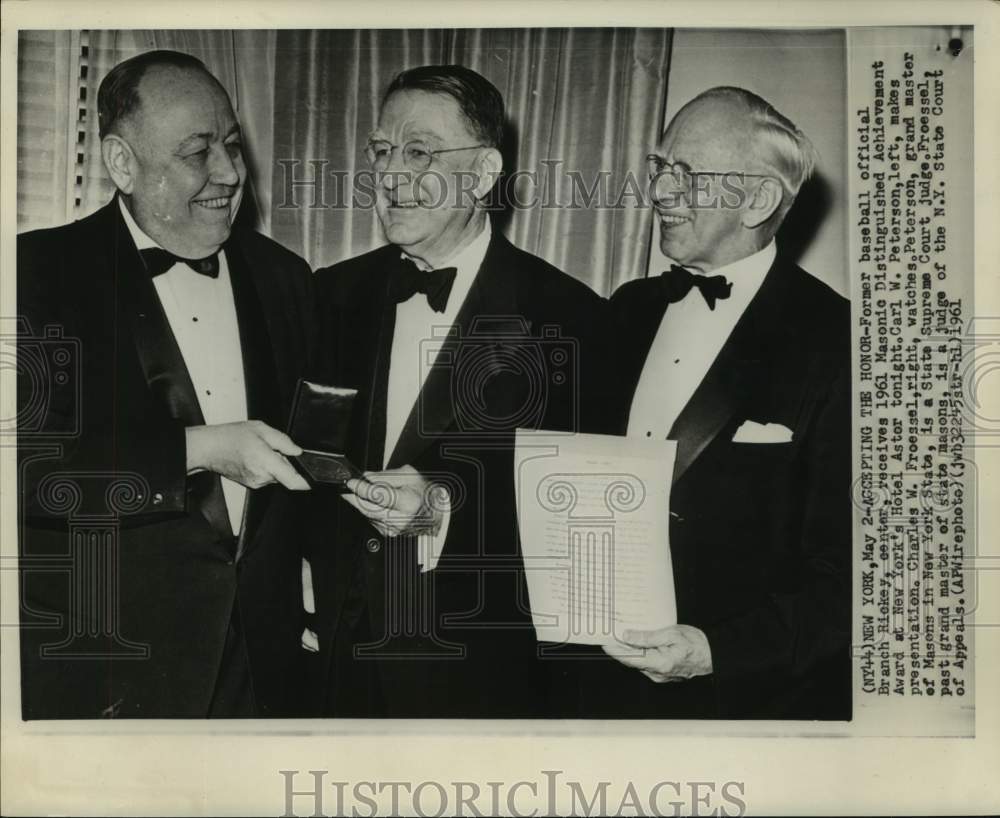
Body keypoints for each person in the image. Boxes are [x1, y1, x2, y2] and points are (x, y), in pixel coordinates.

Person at [17, 50, 319, 718]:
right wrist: (199, 449)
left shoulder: (285, 277)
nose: (231, 174)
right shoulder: (35, 273)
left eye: (234, 146)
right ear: (121, 163)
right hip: (108, 674)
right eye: (197, 152)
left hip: (263, 673)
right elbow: (28, 473)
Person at [309, 64, 607, 717]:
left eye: (419, 152)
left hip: (473, 677)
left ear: (481, 173)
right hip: (331, 666)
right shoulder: (331, 293)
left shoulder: (570, 317)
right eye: (382, 153)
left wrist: (442, 506)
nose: (390, 175)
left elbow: (576, 527)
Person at [584, 86, 851, 718]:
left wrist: (714, 652)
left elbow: (858, 579)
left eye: (687, 175)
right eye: (659, 169)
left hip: (740, 706)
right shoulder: (627, 310)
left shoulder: (840, 342)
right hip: (591, 692)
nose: (659, 193)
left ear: (758, 199)